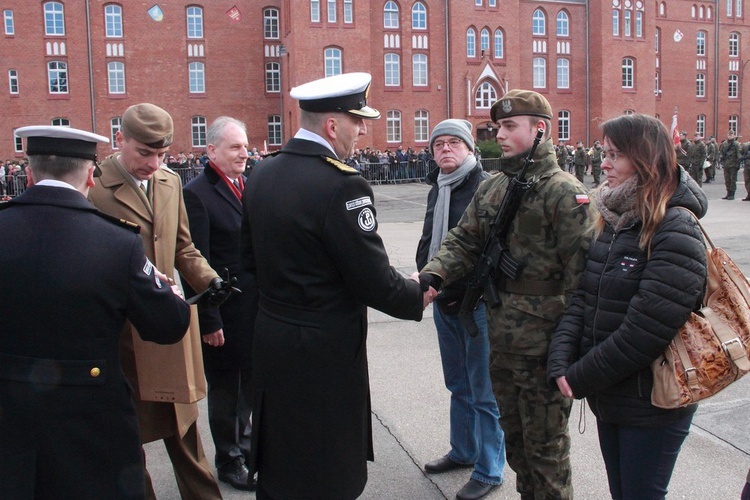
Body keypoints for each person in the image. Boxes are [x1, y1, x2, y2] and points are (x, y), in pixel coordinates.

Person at [240, 72, 437, 499]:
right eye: (357, 120)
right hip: (322, 351)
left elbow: (247, 262)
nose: (363, 130)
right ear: (333, 125)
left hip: (272, 334)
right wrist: (418, 292)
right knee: (325, 465)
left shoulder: (262, 172)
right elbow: (373, 280)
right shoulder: (342, 183)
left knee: (281, 457)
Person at [420, 89, 595, 499]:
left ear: (540, 130)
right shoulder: (495, 186)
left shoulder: (564, 192)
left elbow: (585, 278)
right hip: (502, 339)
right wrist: (433, 276)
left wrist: (574, 348)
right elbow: (464, 240)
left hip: (546, 345)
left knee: (547, 450)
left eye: (510, 126)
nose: (499, 134)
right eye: (498, 127)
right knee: (516, 445)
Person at [0, 126, 191, 498]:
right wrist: (169, 291)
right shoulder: (118, 242)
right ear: (90, 174)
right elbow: (168, 324)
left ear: (28, 174)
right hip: (92, 419)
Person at [547, 113, 708, 500]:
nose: (603, 163)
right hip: (613, 395)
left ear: (645, 159)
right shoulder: (615, 220)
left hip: (653, 402)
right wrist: (560, 357)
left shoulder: (674, 229)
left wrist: (580, 375)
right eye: (604, 153)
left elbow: (646, 330)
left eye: (614, 155)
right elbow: (585, 297)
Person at [89, 103, 224, 499]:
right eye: (144, 153)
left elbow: (183, 246)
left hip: (167, 327)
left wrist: (211, 280)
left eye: (161, 154)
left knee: (184, 427)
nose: (154, 163)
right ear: (120, 140)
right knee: (128, 436)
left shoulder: (169, 182)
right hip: (122, 335)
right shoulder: (95, 187)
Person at [416, 119, 505, 500]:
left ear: (471, 149)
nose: (446, 150)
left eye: (454, 143)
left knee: (484, 390)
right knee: (458, 384)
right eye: (439, 144)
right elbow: (429, 239)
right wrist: (425, 278)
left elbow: (491, 249)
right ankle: (464, 450)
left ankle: (489, 469)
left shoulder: (486, 188)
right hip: (444, 300)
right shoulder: (440, 186)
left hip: (478, 304)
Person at [183, 116, 258, 491]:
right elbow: (195, 261)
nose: (244, 153)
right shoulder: (197, 194)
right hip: (224, 315)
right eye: (234, 147)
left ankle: (246, 449)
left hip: (253, 309)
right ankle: (229, 461)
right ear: (211, 150)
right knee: (227, 390)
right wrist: (209, 320)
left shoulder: (246, 184)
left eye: (245, 146)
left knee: (248, 386)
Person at [719, 130, 742, 200]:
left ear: (734, 135)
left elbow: (739, 154)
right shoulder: (724, 144)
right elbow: (722, 152)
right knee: (727, 180)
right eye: (729, 135)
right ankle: (728, 193)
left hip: (733, 165)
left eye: (731, 135)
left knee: (733, 180)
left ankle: (732, 194)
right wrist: (721, 161)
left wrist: (738, 164)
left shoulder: (736, 144)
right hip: (726, 164)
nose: (729, 136)